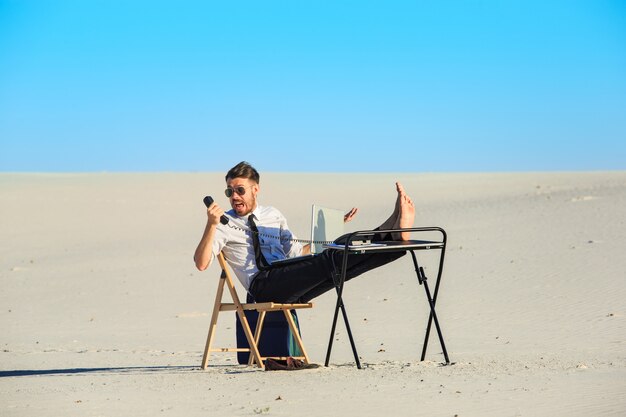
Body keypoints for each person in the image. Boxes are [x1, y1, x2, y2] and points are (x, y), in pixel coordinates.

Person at [194, 161, 415, 304]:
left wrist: (330, 229)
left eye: (240, 190)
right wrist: (211, 225)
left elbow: (297, 252)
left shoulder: (273, 215)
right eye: (229, 191)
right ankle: (389, 231)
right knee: (330, 259)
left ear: (255, 189)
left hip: (287, 276)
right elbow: (201, 263)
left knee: (341, 260)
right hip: (262, 287)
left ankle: (389, 233)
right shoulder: (223, 223)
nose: (234, 196)